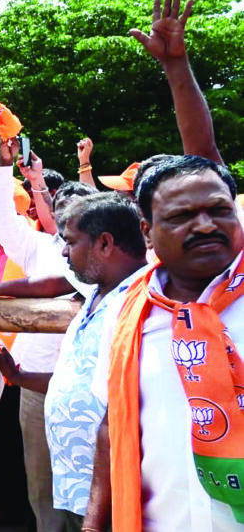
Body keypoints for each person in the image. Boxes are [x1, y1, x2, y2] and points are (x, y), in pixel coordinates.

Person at [84, 156, 244, 532]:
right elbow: (113, 426)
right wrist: (92, 526)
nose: (205, 225)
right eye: (181, 216)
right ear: (148, 232)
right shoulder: (124, 313)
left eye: (219, 210)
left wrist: (183, 91)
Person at [0, 193, 147, 532]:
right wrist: (19, 377)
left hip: (108, 499)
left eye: (71, 242)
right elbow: (81, 382)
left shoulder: (140, 306)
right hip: (77, 489)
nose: (63, 252)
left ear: (105, 244)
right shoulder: (99, 290)